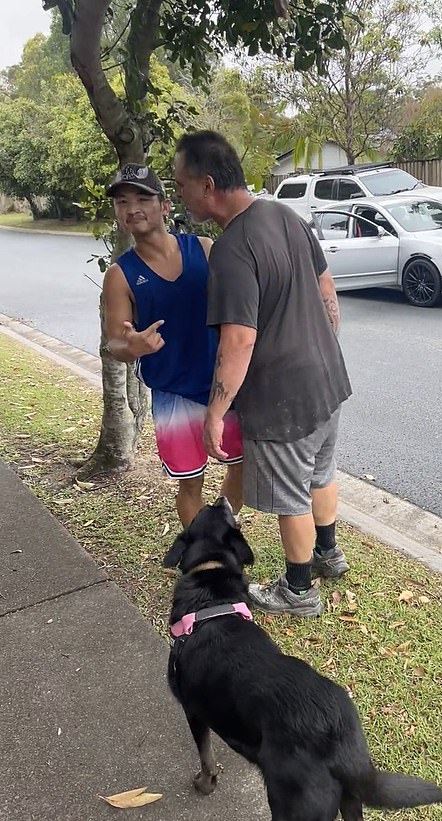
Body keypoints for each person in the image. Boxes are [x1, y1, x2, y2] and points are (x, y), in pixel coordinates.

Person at [173, 131, 352, 618]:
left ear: (207, 185)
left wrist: (215, 412)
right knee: (322, 470)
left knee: (291, 493)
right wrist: (323, 346)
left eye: (182, 184)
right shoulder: (283, 213)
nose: (180, 195)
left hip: (281, 397)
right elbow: (325, 286)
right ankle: (327, 553)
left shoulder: (232, 249)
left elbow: (238, 339)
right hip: (327, 379)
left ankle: (298, 591)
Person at [102, 163, 243, 528]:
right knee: (190, 484)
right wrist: (133, 345)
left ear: (165, 206)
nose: (132, 207)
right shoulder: (120, 274)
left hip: (222, 387)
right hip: (173, 393)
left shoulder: (205, 249)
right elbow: (115, 342)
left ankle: (218, 536)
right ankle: (204, 559)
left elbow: (240, 311)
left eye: (142, 198)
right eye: (121, 201)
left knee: (242, 468)